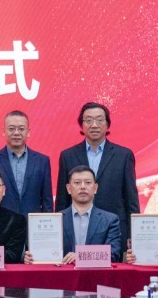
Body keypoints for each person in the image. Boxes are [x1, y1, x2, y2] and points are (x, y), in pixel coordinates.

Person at [54, 102, 138, 252]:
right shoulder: (68, 155)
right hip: (76, 230)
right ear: (81, 125)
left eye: (99, 120)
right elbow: (62, 199)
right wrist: (57, 232)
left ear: (107, 124)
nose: (94, 125)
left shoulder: (123, 155)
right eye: (88, 120)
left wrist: (134, 233)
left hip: (113, 231)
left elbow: (131, 198)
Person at [28, 165, 120, 264]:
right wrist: (31, 257)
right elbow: (45, 253)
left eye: (88, 182)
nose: (83, 187)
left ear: (95, 188)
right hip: (64, 273)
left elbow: (113, 254)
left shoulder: (110, 220)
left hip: (95, 273)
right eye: (77, 183)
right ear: (68, 188)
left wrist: (80, 256)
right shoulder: (55, 220)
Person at [0, 110, 52, 216]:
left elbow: (47, 201)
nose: (16, 133)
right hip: (2, 222)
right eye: (11, 129)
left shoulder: (42, 161)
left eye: (21, 129)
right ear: (4, 131)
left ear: (28, 132)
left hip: (31, 223)